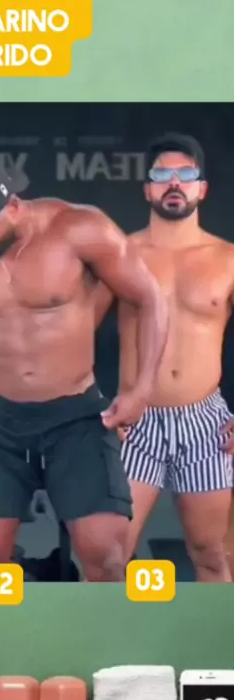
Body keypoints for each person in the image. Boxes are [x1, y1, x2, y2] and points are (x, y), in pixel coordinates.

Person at [0, 161, 169, 582]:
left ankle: (104, 629)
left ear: (14, 207)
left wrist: (142, 389)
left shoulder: (80, 229)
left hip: (75, 416)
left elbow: (149, 298)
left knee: (105, 553)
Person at [95, 133, 234, 582]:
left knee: (213, 554)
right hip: (135, 422)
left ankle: (218, 631)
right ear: (148, 189)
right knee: (109, 558)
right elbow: (74, 331)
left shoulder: (228, 259)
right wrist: (95, 406)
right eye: (162, 175)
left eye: (186, 174)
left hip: (206, 424)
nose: (174, 183)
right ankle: (100, 633)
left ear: (202, 188)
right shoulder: (121, 254)